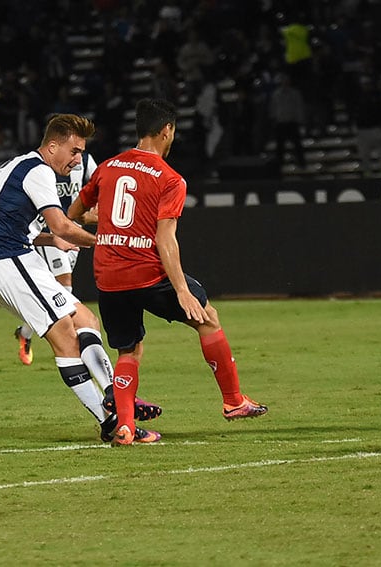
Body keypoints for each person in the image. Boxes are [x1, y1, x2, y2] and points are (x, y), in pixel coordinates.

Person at [68, 98, 267, 446]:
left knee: (128, 351)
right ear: (167, 130)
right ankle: (233, 401)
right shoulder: (170, 178)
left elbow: (75, 213)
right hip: (147, 274)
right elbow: (166, 240)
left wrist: (108, 221)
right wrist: (182, 290)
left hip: (109, 275)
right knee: (207, 319)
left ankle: (126, 428)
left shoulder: (109, 167)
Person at [0, 114, 159, 442]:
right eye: (73, 152)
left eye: (81, 153)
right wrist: (107, 240)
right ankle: (113, 421)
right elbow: (61, 224)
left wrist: (49, 239)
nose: (77, 160)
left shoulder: (19, 166)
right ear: (53, 145)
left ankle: (115, 398)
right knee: (65, 338)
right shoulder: (39, 171)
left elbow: (12, 223)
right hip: (8, 261)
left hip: (12, 258)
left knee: (86, 319)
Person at [12, 150, 97, 366]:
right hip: (53, 228)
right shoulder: (46, 166)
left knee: (53, 290)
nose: (76, 154)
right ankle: (70, 343)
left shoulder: (85, 162)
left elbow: (101, 187)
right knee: (65, 286)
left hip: (74, 227)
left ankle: (25, 332)